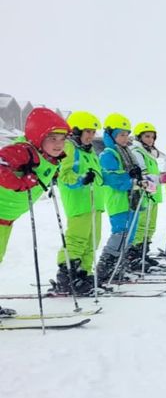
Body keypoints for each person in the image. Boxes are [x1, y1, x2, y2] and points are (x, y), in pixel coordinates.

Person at [0, 108, 69, 314]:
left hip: (5, 218)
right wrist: (19, 183)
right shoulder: (25, 150)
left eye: (62, 139)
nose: (58, 144)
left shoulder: (49, 158)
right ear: (38, 137)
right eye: (52, 138)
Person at [96, 113, 151, 282]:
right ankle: (106, 266)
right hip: (118, 200)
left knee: (130, 233)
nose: (125, 138)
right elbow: (113, 178)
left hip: (132, 199)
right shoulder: (108, 154)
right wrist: (132, 179)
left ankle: (120, 264)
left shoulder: (128, 152)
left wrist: (141, 181)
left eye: (127, 134)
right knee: (120, 233)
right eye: (121, 134)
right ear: (111, 134)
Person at [53, 111, 103, 295]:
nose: (91, 136)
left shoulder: (90, 152)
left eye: (93, 132)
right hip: (79, 203)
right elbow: (63, 175)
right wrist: (81, 179)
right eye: (87, 131)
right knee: (77, 240)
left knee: (93, 241)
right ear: (75, 131)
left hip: (95, 204)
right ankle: (67, 276)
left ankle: (84, 274)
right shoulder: (70, 148)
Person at [128, 122, 165, 272]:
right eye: (147, 136)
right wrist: (161, 178)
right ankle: (134, 255)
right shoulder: (137, 150)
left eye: (152, 137)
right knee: (142, 224)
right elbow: (144, 174)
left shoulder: (148, 152)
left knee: (150, 226)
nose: (150, 139)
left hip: (152, 193)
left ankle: (144, 253)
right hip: (143, 193)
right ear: (139, 136)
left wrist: (161, 178)